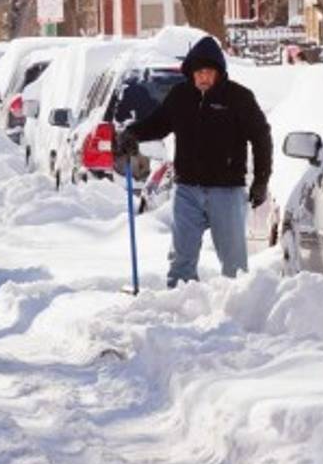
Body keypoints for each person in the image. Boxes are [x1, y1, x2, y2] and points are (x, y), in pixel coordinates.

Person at [115, 36, 272, 288]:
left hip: (227, 191)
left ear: (219, 72)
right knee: (181, 258)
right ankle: (179, 303)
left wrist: (261, 181)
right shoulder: (180, 96)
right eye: (199, 72)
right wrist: (133, 133)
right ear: (191, 73)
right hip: (187, 189)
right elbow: (158, 124)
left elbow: (261, 138)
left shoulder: (238, 98)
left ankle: (239, 308)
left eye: (209, 72)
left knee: (234, 263)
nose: (204, 77)